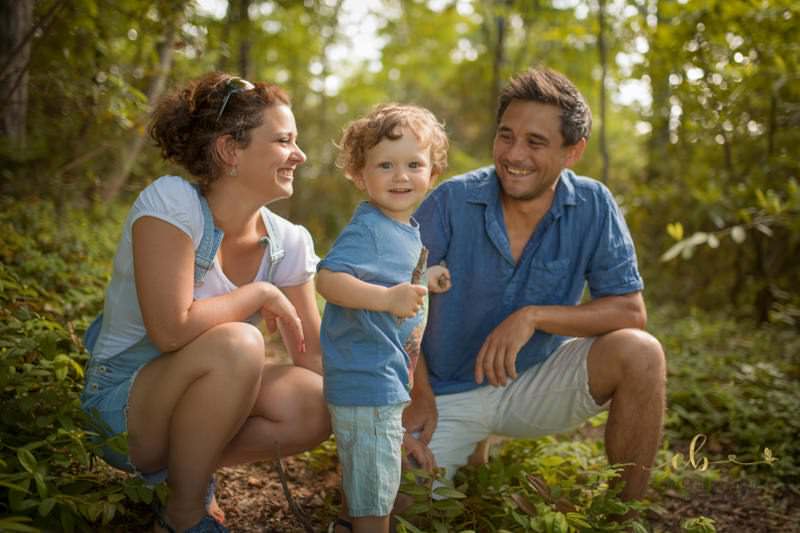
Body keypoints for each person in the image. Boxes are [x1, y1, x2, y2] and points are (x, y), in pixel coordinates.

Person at [80, 72, 331, 533]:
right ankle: (185, 511)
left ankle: (183, 474)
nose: (300, 155)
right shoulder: (173, 204)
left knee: (316, 402)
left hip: (199, 394)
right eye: (284, 141)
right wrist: (260, 292)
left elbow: (312, 357)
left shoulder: (289, 241)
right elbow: (171, 330)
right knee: (239, 343)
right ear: (230, 150)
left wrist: (383, 416)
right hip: (124, 408)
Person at [404, 67, 667, 503]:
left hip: (533, 381)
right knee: (398, 508)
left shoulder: (594, 204)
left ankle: (626, 515)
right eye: (506, 136)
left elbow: (629, 310)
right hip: (442, 392)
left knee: (642, 353)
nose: (514, 154)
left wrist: (533, 317)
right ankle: (471, 448)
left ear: (573, 151)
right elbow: (396, 300)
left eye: (536, 142)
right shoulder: (452, 200)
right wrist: (418, 392)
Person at [315, 104, 451, 533]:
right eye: (385, 165)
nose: (400, 176)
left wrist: (426, 279)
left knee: (373, 489)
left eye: (414, 165)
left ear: (433, 174)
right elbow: (328, 279)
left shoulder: (401, 228)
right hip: (367, 380)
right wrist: (387, 299)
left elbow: (391, 277)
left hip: (383, 381)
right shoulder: (370, 228)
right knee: (375, 501)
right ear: (360, 174)